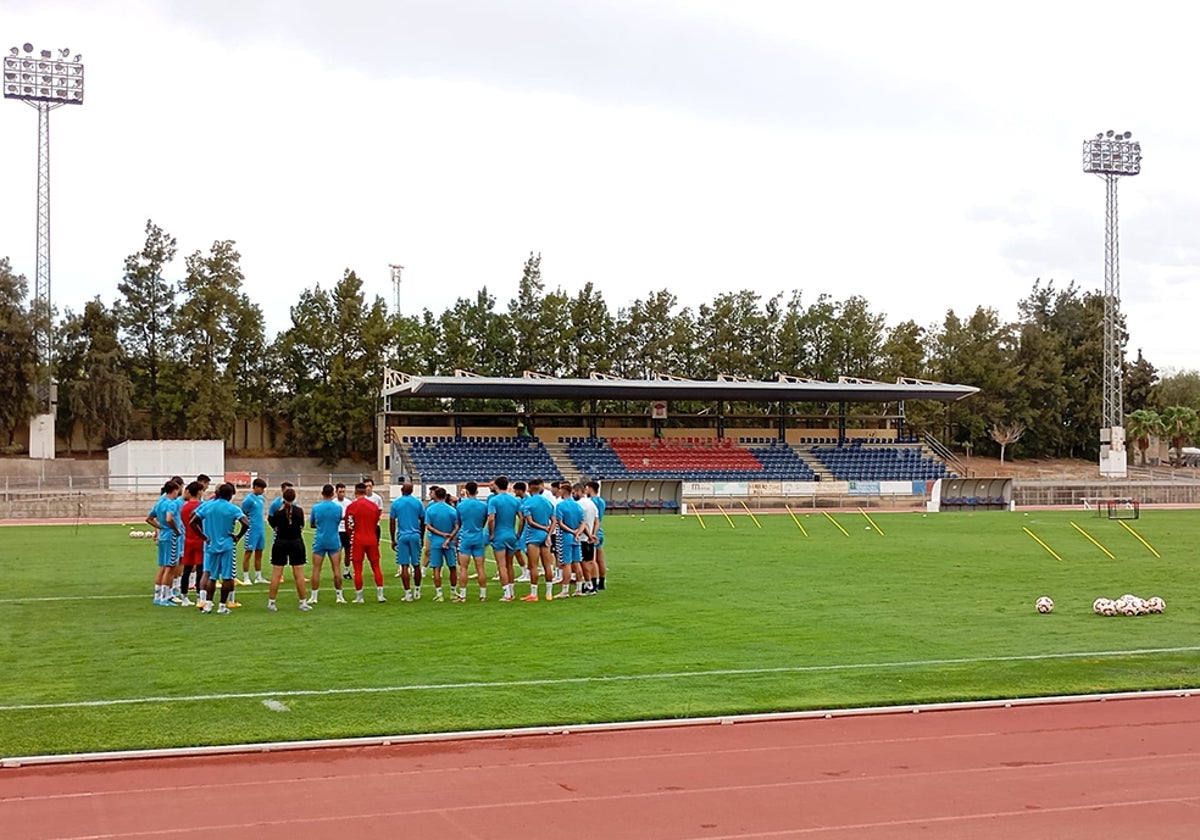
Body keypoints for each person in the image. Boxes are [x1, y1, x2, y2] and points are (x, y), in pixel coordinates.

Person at [191, 483, 251, 615]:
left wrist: (204, 537)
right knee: (227, 577)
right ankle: (222, 605)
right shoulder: (232, 508)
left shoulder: (207, 505)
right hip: (227, 545)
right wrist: (238, 536)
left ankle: (208, 605)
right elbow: (246, 523)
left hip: (211, 544)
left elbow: (192, 521)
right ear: (230, 495)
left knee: (212, 577)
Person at [266, 487, 311, 611]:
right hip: (296, 542)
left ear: (283, 498)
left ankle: (271, 602)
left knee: (276, 574)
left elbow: (273, 525)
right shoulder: (299, 511)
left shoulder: (277, 512)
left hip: (280, 542)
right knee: (299, 574)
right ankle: (303, 602)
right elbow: (302, 526)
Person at [345, 481, 386, 603]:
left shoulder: (352, 507)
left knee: (357, 569)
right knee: (376, 566)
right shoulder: (373, 506)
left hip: (358, 539)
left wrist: (351, 534)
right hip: (371, 538)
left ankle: (359, 596)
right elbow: (376, 522)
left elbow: (349, 525)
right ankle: (380, 594)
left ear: (355, 492)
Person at [487, 476, 524, 602]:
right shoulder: (515, 500)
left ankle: (507, 593)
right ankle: (511, 591)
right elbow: (521, 518)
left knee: (501, 565)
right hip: (511, 534)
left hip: (499, 535)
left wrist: (491, 533)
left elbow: (491, 518)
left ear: (496, 486)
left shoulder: (494, 500)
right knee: (509, 564)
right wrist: (518, 533)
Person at [145, 481, 182, 606]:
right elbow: (169, 518)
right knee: (170, 567)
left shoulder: (159, 503)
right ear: (174, 490)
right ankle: (165, 597)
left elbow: (149, 519)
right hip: (171, 537)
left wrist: (160, 527)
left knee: (162, 566)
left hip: (163, 536)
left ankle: (158, 595)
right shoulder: (171, 504)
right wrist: (176, 530)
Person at [308, 483, 346, 605]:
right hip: (334, 539)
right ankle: (339, 596)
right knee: (336, 569)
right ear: (333, 493)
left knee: (316, 569)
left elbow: (312, 524)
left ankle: (314, 596)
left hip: (320, 539)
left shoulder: (316, 508)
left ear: (322, 493)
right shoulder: (338, 508)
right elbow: (339, 520)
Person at [519, 478, 556, 601]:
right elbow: (554, 521)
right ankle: (549, 593)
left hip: (533, 536)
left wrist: (543, 528)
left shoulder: (527, 504)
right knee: (547, 565)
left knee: (533, 565)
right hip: (545, 536)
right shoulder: (547, 502)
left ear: (529, 488)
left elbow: (529, 521)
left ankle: (534, 594)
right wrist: (549, 533)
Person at [389, 483, 425, 601]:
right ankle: (418, 591)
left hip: (403, 536)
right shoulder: (418, 502)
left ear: (401, 490)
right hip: (415, 535)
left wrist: (393, 539)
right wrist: (422, 536)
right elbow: (423, 520)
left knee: (404, 565)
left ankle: (408, 593)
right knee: (416, 565)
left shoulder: (396, 503)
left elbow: (392, 522)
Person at [423, 486, 459, 601]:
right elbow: (457, 526)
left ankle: (439, 594)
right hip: (449, 542)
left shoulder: (431, 509)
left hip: (436, 541)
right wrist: (449, 537)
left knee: (436, 568)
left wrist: (441, 534)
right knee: (452, 567)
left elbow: (429, 526)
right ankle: (453, 592)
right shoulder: (452, 510)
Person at [455, 481, 489, 601]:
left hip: (465, 537)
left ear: (466, 491)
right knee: (480, 567)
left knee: (464, 567)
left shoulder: (460, 506)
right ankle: (483, 595)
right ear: (477, 491)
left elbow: (458, 523)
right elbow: (485, 520)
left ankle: (463, 595)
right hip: (479, 536)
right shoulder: (483, 505)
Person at [554, 483, 588, 597]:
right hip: (576, 537)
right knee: (577, 562)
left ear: (563, 491)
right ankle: (578, 589)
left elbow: (560, 523)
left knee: (566, 564)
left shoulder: (560, 506)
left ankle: (565, 590)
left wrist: (572, 531)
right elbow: (583, 522)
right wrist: (578, 532)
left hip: (565, 536)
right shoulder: (577, 506)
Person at [178, 481, 205, 606]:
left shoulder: (184, 507)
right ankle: (200, 596)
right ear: (199, 492)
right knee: (200, 569)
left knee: (187, 569)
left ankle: (184, 597)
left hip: (188, 539)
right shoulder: (202, 506)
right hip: (200, 540)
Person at [239, 478, 269, 585]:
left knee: (259, 552)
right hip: (252, 530)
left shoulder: (261, 498)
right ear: (255, 487)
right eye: (261, 488)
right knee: (248, 552)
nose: (263, 491)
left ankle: (258, 576)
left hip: (260, 529)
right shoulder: (248, 500)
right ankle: (246, 577)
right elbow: (243, 513)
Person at [586, 480, 608, 590]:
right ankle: (602, 582)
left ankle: (592, 583)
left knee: (592, 560)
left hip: (593, 531)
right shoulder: (601, 501)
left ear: (590, 488)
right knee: (600, 559)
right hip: (600, 531)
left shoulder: (591, 502)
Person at [335, 482, 353, 579]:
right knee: (337, 552)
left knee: (348, 551)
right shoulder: (334, 503)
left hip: (346, 530)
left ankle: (346, 571)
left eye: (343, 491)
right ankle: (337, 571)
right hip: (337, 530)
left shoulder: (348, 502)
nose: (342, 494)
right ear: (336, 492)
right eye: (340, 492)